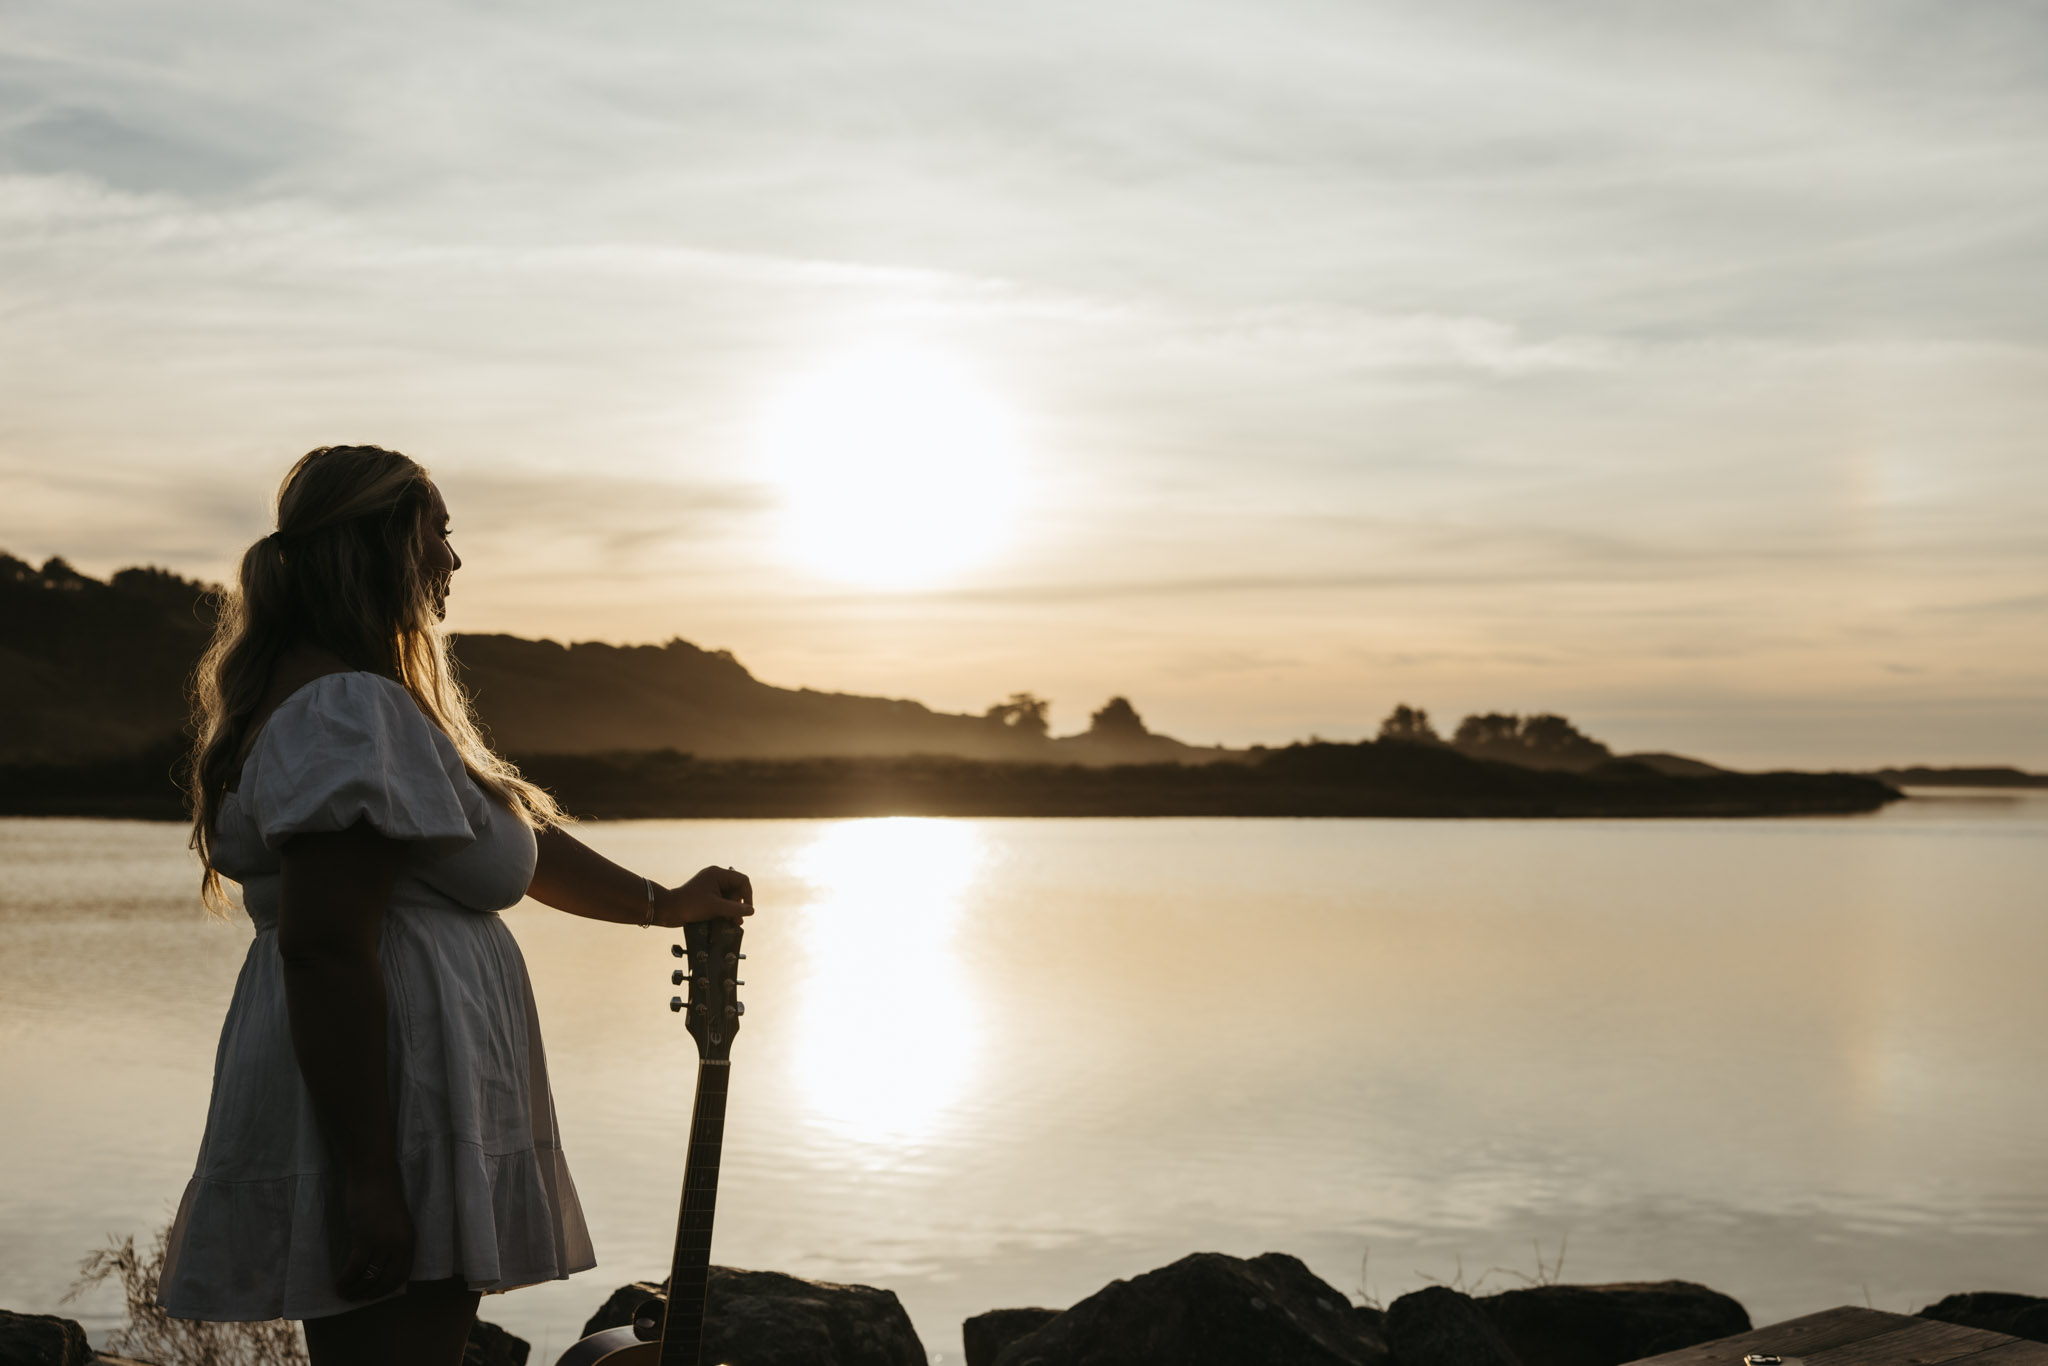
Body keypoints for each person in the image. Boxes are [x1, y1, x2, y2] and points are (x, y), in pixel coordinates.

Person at [157, 444, 755, 1365]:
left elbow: (509, 841)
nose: (452, 562)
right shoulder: (347, 709)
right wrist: (369, 1181)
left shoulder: (364, 706)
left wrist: (660, 903)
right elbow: (325, 950)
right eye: (438, 535)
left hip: (409, 1094)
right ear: (385, 548)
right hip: (392, 1101)